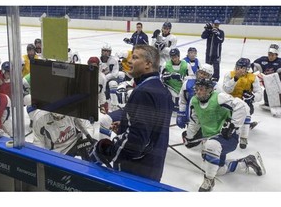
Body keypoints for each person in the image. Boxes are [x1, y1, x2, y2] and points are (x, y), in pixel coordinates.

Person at [88, 45, 174, 182]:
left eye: (135, 57)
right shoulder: (163, 91)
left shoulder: (144, 92)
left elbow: (136, 142)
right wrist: (126, 125)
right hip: (152, 168)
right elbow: (152, 130)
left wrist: (107, 150)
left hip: (134, 172)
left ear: (148, 64)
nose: (129, 61)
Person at [183, 78, 266, 192]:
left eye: (201, 89)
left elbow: (241, 106)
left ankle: (209, 180)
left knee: (211, 147)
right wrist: (189, 136)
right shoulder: (194, 101)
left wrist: (232, 126)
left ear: (209, 90)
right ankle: (246, 161)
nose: (198, 92)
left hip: (228, 138)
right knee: (218, 169)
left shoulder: (219, 97)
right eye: (196, 89)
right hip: (209, 138)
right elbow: (194, 120)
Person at [223, 58, 263, 149]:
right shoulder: (230, 74)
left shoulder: (253, 78)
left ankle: (244, 137)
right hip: (230, 101)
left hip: (245, 103)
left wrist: (252, 96)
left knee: (247, 110)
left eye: (243, 68)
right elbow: (226, 89)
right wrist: (235, 79)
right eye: (238, 67)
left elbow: (259, 95)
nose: (240, 69)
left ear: (247, 68)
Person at [177, 63, 214, 129]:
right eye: (201, 73)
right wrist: (181, 114)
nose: (202, 76)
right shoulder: (188, 84)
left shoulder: (215, 88)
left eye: (205, 74)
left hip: (208, 123)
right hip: (192, 121)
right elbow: (183, 101)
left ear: (210, 77)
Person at [251, 43, 281, 108]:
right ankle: (267, 102)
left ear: (276, 55)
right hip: (267, 83)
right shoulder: (262, 60)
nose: (270, 57)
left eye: (272, 55)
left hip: (277, 83)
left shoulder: (280, 62)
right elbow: (252, 67)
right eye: (269, 55)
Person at [99, 44, 125, 111]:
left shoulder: (114, 60)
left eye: (107, 51)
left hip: (111, 78)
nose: (106, 53)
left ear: (110, 52)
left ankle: (114, 104)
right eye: (104, 51)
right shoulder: (98, 60)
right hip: (101, 78)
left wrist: (105, 78)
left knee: (113, 84)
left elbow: (114, 74)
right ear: (101, 51)